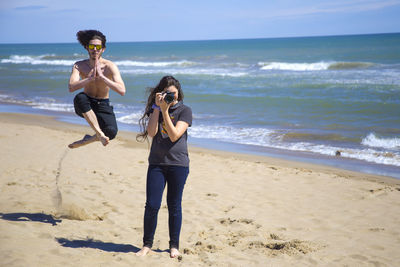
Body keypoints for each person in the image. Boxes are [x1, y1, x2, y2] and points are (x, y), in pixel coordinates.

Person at [136, 76, 192, 258]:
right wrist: (157, 108)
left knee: (174, 205)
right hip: (157, 164)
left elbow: (175, 135)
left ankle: (174, 246)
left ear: (179, 93)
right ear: (160, 94)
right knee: (152, 205)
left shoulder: (185, 111)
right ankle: (146, 245)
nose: (171, 97)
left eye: (174, 94)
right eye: (167, 94)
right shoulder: (156, 109)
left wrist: (165, 111)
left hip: (178, 164)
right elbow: (152, 133)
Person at [68, 30, 126, 149]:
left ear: (103, 49)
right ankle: (99, 134)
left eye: (98, 47)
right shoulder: (79, 65)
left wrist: (103, 78)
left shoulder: (110, 66)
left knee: (111, 132)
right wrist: (88, 79)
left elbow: (122, 90)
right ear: (86, 48)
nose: (95, 49)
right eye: (92, 46)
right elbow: (71, 87)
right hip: (85, 105)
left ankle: (88, 139)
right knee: (80, 97)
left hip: (102, 104)